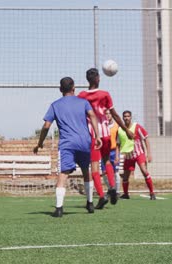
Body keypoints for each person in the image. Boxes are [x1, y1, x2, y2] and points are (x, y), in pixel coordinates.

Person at [34, 77, 102, 218]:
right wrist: (98, 136)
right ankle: (90, 203)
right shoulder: (84, 102)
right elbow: (93, 116)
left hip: (67, 144)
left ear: (60, 89)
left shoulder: (55, 105)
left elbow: (46, 125)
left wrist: (40, 142)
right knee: (86, 170)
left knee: (64, 174)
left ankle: (59, 209)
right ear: (74, 88)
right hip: (85, 142)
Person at [78, 68, 134, 210]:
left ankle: (102, 196)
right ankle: (113, 188)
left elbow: (79, 116)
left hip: (93, 135)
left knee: (95, 166)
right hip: (105, 133)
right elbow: (114, 114)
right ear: (98, 79)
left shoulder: (82, 96)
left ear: (87, 80)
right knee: (107, 160)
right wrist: (126, 129)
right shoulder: (105, 94)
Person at [118, 110, 156, 200]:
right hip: (128, 155)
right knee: (125, 176)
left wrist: (149, 153)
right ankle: (126, 194)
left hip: (139, 153)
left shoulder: (137, 127)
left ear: (131, 117)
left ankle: (152, 193)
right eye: (125, 116)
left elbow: (146, 138)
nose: (126, 118)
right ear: (123, 118)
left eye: (128, 116)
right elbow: (118, 144)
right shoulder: (120, 129)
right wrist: (117, 155)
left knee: (144, 171)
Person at [100, 109, 121, 195]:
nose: (108, 115)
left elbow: (118, 143)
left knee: (116, 173)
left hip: (113, 152)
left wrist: (117, 155)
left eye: (109, 113)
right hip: (104, 152)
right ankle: (110, 189)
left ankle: (118, 191)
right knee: (104, 173)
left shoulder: (116, 126)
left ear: (112, 115)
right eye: (106, 114)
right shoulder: (102, 126)